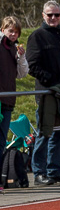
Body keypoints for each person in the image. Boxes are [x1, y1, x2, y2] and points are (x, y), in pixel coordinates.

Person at [26, 0, 60, 186]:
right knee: (44, 133)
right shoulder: (37, 36)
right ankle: (39, 173)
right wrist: (51, 83)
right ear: (43, 15)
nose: (54, 18)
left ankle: (54, 170)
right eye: (50, 15)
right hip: (47, 95)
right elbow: (32, 66)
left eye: (57, 15)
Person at [0, 16, 28, 165]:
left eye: (16, 32)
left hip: (8, 100)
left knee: (2, 141)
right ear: (2, 30)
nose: (13, 35)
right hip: (1, 97)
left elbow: (23, 74)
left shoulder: (14, 48)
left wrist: (21, 57)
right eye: (10, 31)